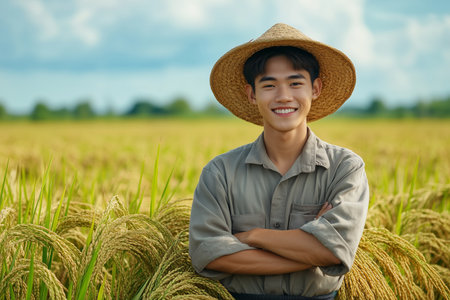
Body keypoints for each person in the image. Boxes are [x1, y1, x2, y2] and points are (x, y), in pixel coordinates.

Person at [189, 23, 369, 300]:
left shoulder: (344, 168)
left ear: (315, 88)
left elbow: (333, 249)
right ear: (252, 94)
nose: (283, 96)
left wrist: (252, 237)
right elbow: (208, 254)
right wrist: (311, 253)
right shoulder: (220, 173)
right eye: (269, 85)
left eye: (295, 83)